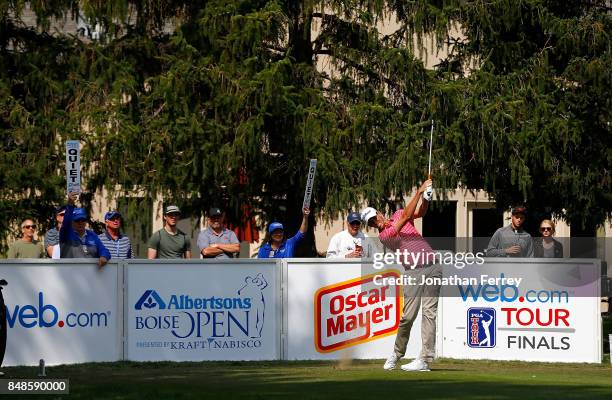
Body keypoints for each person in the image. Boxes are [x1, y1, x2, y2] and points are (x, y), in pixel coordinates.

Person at [363, 179, 441, 372]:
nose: (376, 221)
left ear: (380, 212)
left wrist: (426, 198)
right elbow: (406, 215)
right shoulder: (385, 236)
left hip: (433, 266)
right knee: (408, 316)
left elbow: (418, 213)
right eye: (372, 223)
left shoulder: (397, 214)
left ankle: (425, 359)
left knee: (429, 314)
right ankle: (397, 354)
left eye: (375, 217)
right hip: (413, 271)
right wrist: (419, 191)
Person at [59, 192, 110, 267]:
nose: (80, 222)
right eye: (77, 220)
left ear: (86, 221)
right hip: (68, 275)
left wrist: (104, 256)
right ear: (72, 222)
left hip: (89, 276)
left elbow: (104, 250)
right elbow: (66, 222)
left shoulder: (92, 235)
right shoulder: (66, 233)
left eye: (82, 220)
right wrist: (70, 204)